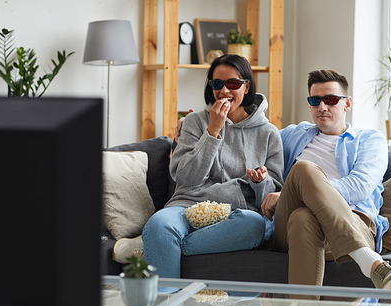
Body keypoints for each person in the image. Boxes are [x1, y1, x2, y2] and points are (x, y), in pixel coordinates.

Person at [113, 54, 284, 281]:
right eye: (217, 84)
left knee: (254, 226)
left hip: (235, 214)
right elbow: (186, 176)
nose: (224, 91)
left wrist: (260, 182)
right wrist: (212, 132)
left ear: (247, 86)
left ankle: (159, 248)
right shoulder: (194, 122)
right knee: (159, 225)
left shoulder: (268, 133)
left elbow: (272, 197)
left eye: (232, 84)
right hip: (187, 205)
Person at [260, 69, 391, 297]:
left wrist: (302, 189)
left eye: (330, 100)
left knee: (303, 212)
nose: (322, 107)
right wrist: (192, 128)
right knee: (302, 174)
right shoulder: (292, 134)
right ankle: (369, 262)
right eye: (315, 100)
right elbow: (251, 132)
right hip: (285, 227)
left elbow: (359, 187)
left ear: (347, 104)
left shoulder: (370, 139)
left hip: (354, 221)